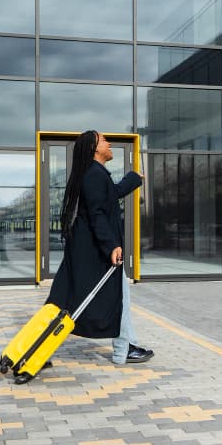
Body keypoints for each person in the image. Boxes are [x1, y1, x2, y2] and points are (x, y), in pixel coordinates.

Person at [46, 130, 154, 365]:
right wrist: (111, 245)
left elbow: (111, 195)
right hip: (96, 252)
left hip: (90, 251)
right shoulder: (93, 175)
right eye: (105, 140)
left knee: (75, 301)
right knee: (108, 300)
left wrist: (133, 178)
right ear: (95, 148)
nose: (110, 143)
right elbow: (97, 214)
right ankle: (123, 349)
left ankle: (125, 347)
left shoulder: (93, 174)